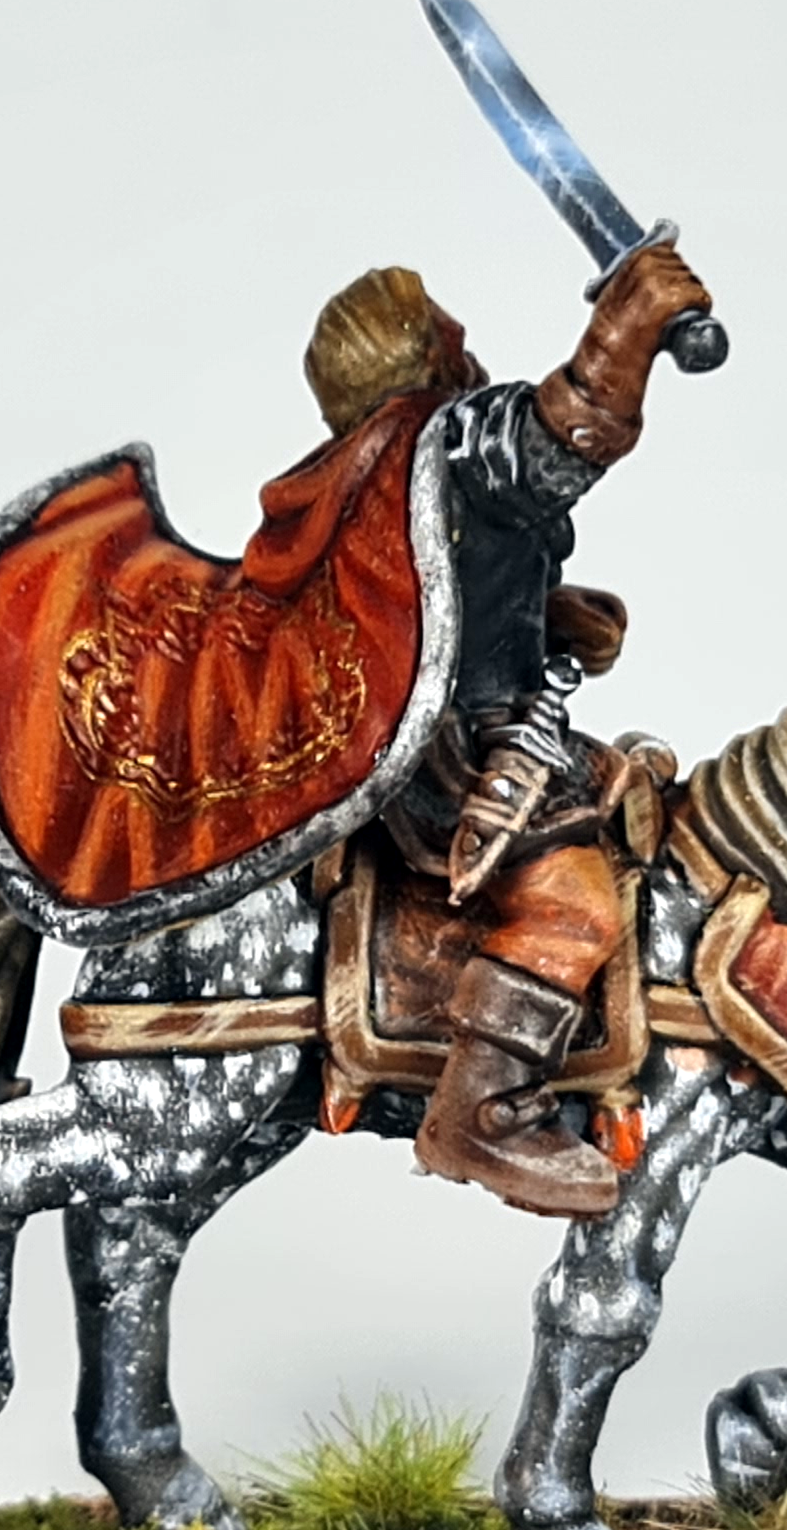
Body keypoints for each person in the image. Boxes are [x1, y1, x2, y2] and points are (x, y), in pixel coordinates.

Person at [296, 244, 711, 1216]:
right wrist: (628, 324)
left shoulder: (375, 471)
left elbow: (434, 599)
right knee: (578, 908)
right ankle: (479, 1112)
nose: (468, 345)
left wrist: (544, 619)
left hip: (470, 719)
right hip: (459, 757)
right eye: (451, 336)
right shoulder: (444, 441)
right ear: (422, 361)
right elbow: (562, 434)